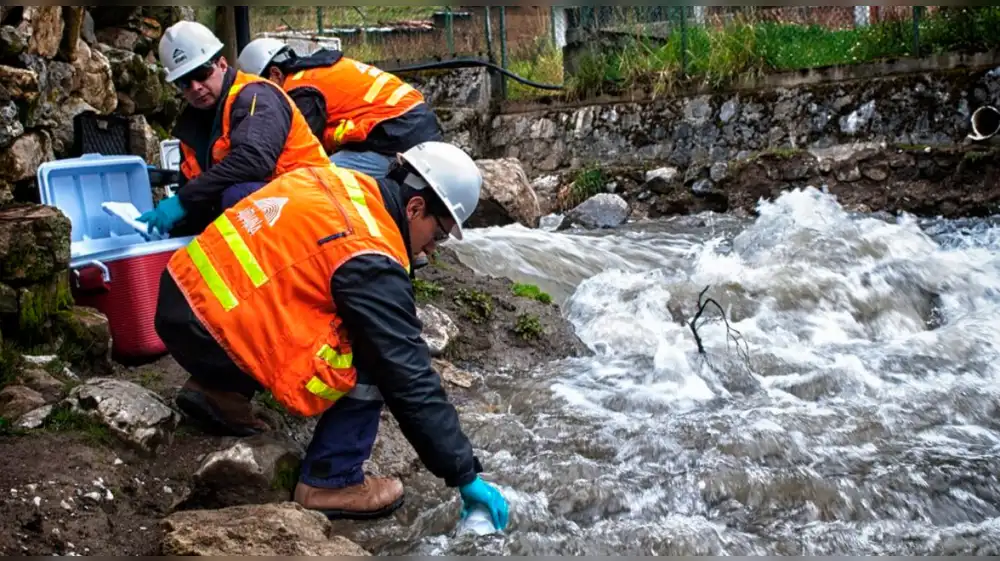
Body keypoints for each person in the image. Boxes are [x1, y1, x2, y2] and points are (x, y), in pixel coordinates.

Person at [152, 140, 508, 529]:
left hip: (178, 300)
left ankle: (218, 391)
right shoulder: (371, 252)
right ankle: (331, 481)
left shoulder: (336, 181)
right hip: (217, 338)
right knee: (374, 349)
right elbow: (409, 375)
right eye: (437, 235)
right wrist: (464, 474)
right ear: (415, 207)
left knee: (297, 295)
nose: (433, 251)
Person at [142, 21, 330, 237]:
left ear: (222, 64)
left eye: (202, 73)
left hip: (315, 204)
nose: (195, 87)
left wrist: (184, 200)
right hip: (284, 208)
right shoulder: (193, 127)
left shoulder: (257, 96)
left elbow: (253, 160)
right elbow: (199, 190)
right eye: (184, 82)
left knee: (236, 196)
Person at [236, 38, 444, 181]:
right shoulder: (318, 71)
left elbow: (302, 149)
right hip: (413, 127)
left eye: (261, 87)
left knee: (314, 180)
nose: (261, 97)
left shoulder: (300, 91)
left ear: (275, 74)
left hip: (398, 136)